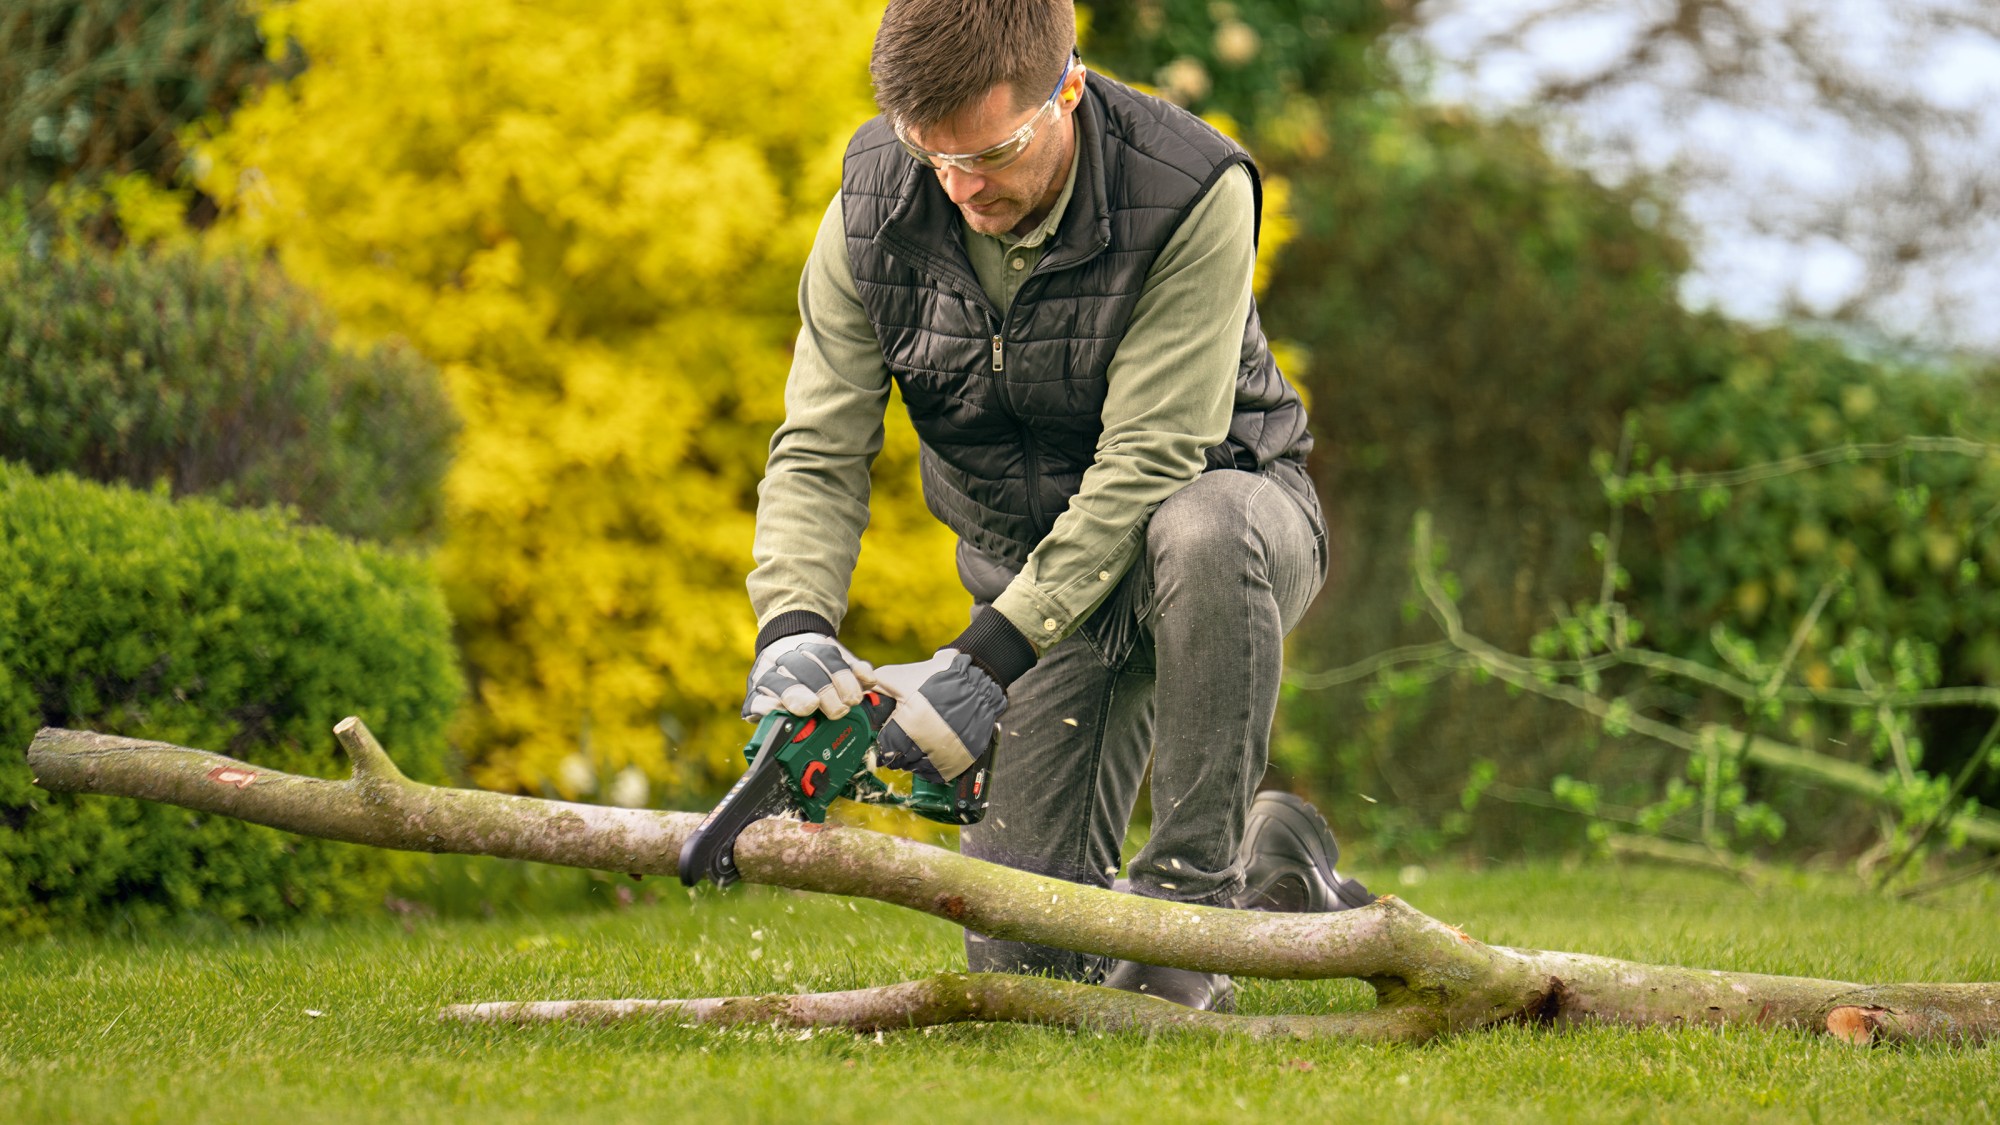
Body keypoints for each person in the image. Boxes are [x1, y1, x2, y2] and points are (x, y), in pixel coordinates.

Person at [740, 0, 1371, 1012]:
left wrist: (987, 657)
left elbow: (1150, 459)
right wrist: (793, 626)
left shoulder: (1190, 188)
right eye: (932, 155)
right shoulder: (872, 207)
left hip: (1222, 527)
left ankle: (1190, 901)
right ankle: (1280, 871)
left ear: (1064, 88)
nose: (959, 186)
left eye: (989, 153)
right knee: (1026, 962)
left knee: (1199, 523)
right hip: (1034, 585)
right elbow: (818, 448)